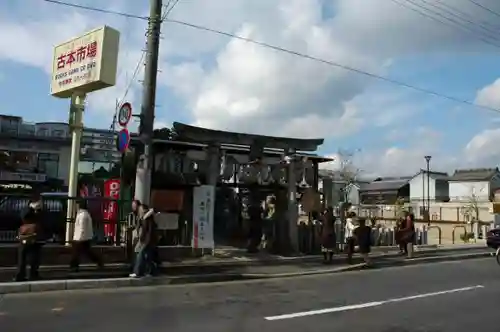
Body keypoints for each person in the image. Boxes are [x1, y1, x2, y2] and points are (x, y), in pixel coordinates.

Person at [15, 196, 46, 281]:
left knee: (32, 258)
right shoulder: (28, 211)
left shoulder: (38, 211)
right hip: (29, 236)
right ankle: (23, 275)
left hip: (32, 236)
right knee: (26, 257)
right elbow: (24, 218)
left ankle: (30, 274)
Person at [69, 200, 103, 272]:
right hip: (84, 237)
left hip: (81, 238)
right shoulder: (84, 214)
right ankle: (99, 261)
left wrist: (78, 238)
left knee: (76, 252)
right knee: (87, 252)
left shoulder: (82, 215)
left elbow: (82, 228)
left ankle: (74, 266)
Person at [130, 204, 157, 278]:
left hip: (147, 240)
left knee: (141, 254)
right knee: (147, 256)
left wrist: (145, 241)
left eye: (141, 210)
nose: (140, 211)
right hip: (145, 240)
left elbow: (148, 231)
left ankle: (137, 272)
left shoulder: (147, 219)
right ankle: (150, 271)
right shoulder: (143, 218)